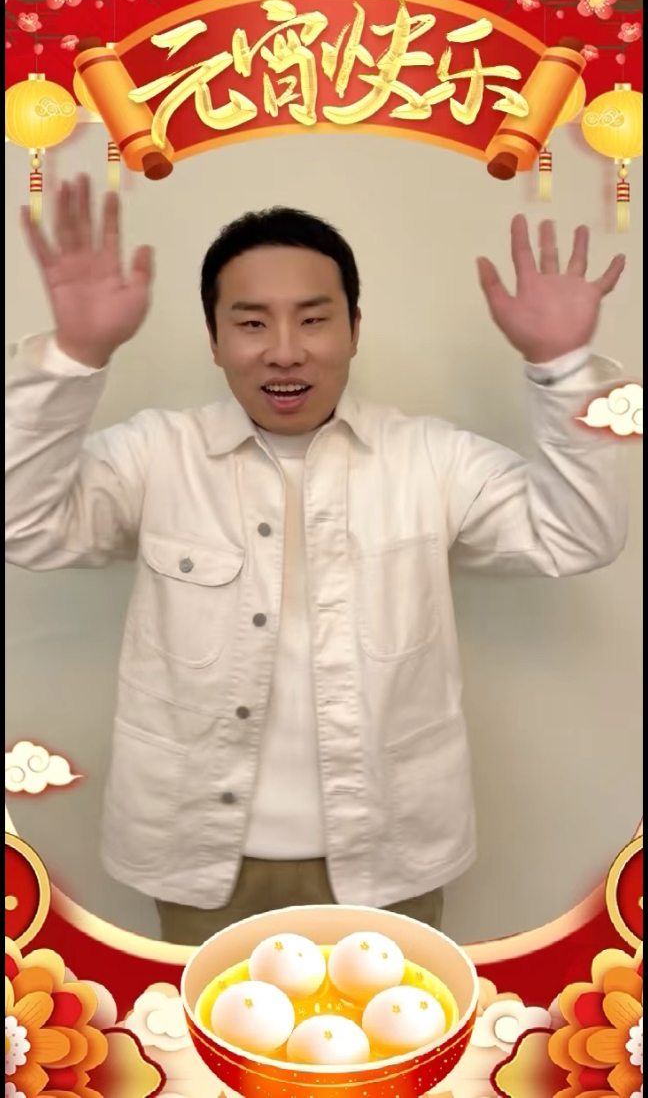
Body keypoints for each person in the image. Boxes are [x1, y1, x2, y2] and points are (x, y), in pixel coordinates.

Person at [5, 176, 628, 946]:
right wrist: (73, 358)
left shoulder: (428, 459)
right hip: (198, 860)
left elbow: (579, 533)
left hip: (390, 858)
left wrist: (561, 367)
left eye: (313, 318)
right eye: (251, 322)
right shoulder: (156, 454)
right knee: (200, 1032)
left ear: (354, 328)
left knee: (397, 1029)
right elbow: (24, 524)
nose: (285, 350)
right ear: (214, 340)